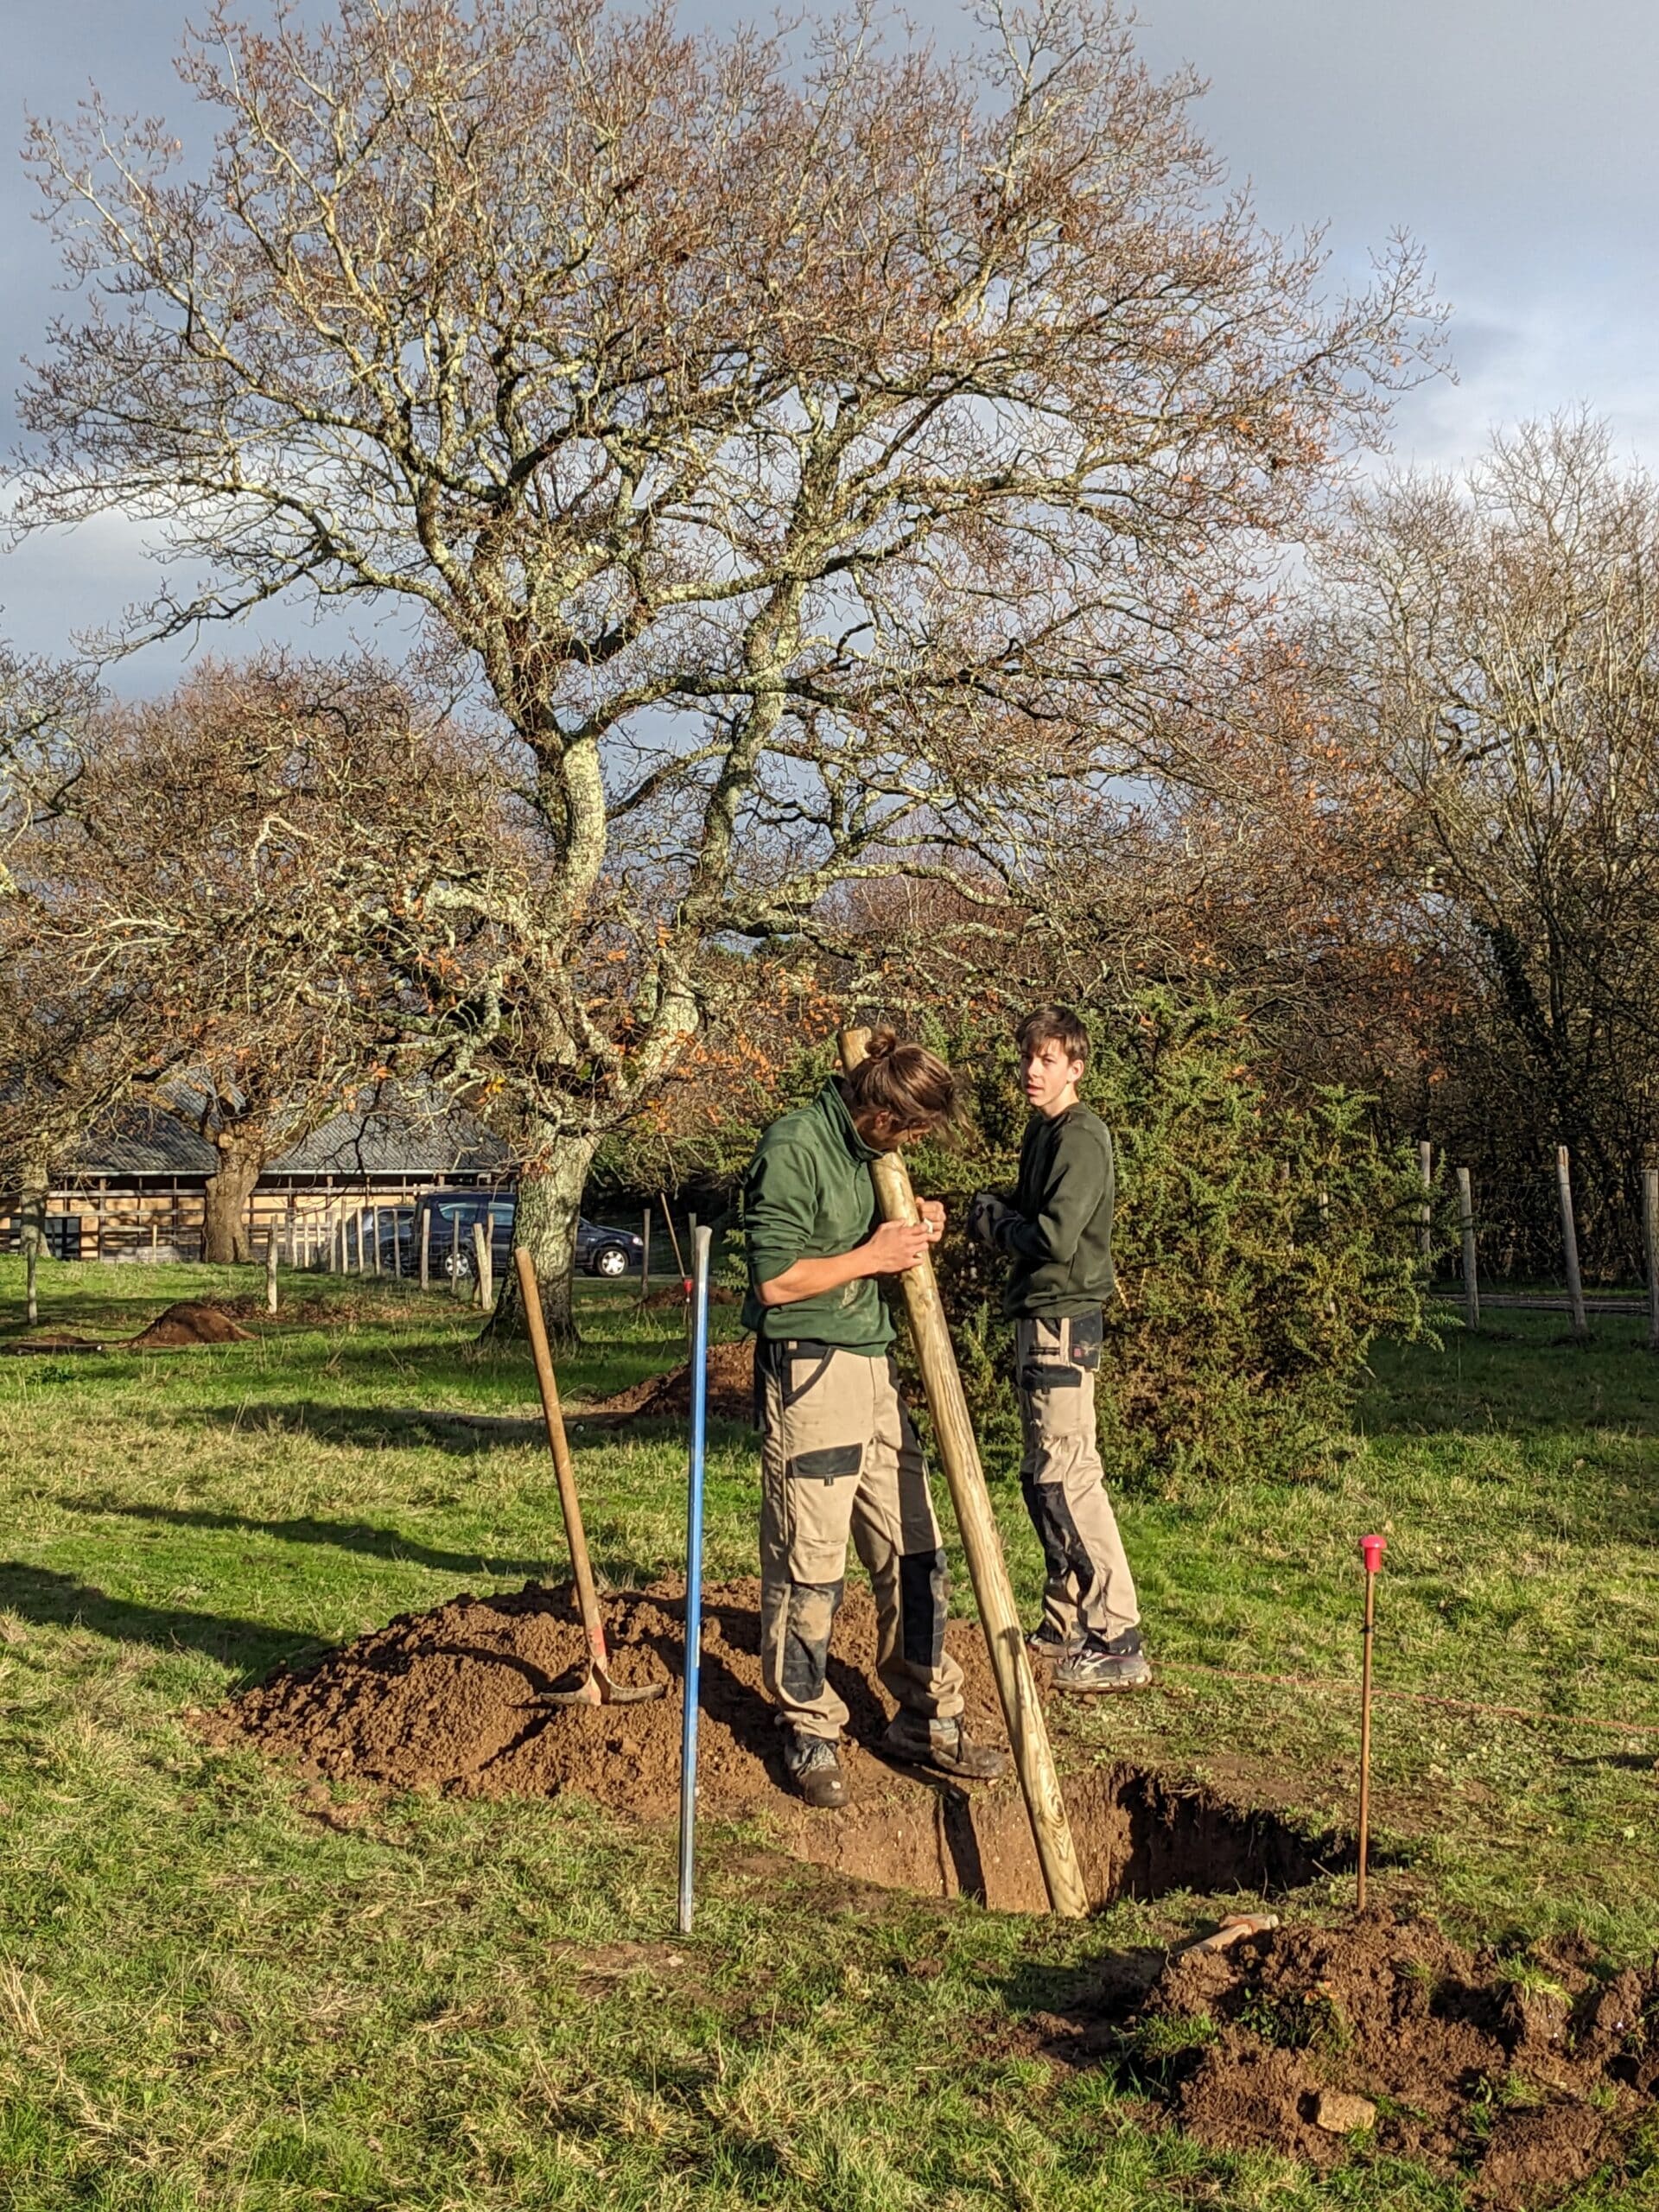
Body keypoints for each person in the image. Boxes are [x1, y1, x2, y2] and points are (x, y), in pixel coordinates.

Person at [741, 1033, 1008, 1808]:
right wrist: (874, 1256)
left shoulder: (872, 1154)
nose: (915, 1146)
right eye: (914, 1132)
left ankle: (927, 1715)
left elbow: (866, 1238)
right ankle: (808, 1726)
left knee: (915, 1548)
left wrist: (910, 1225)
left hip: (873, 1366)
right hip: (811, 1373)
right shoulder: (794, 1147)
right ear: (883, 1115)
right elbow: (773, 1280)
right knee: (811, 1561)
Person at [969, 1006, 1152, 1693]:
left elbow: (1053, 1237)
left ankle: (1116, 1636)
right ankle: (1064, 1622)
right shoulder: (1041, 1131)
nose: (1031, 1070)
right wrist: (984, 1208)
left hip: (1063, 1323)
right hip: (1037, 1317)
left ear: (1076, 1068)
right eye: (1027, 1058)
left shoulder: (1081, 1136)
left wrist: (993, 1225)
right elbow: (1025, 1209)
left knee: (1068, 1476)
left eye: (1047, 1060)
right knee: (1042, 1474)